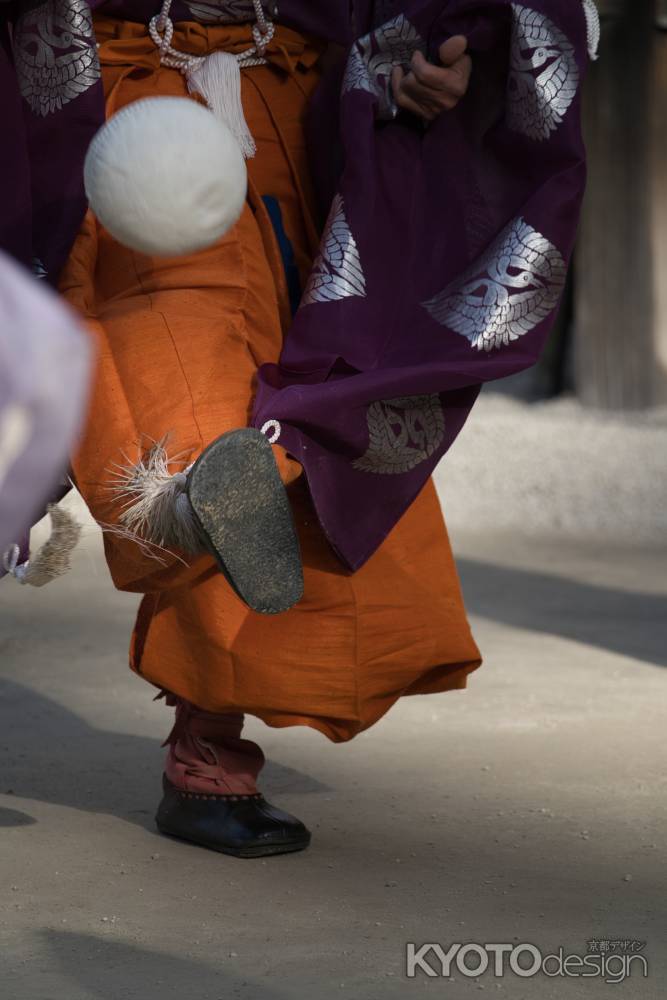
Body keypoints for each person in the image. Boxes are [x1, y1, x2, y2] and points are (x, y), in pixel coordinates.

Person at [2, 0, 593, 857]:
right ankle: (198, 537)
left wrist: (433, 58)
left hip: (303, 112)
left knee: (310, 426)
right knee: (187, 377)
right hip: (131, 119)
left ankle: (209, 731)